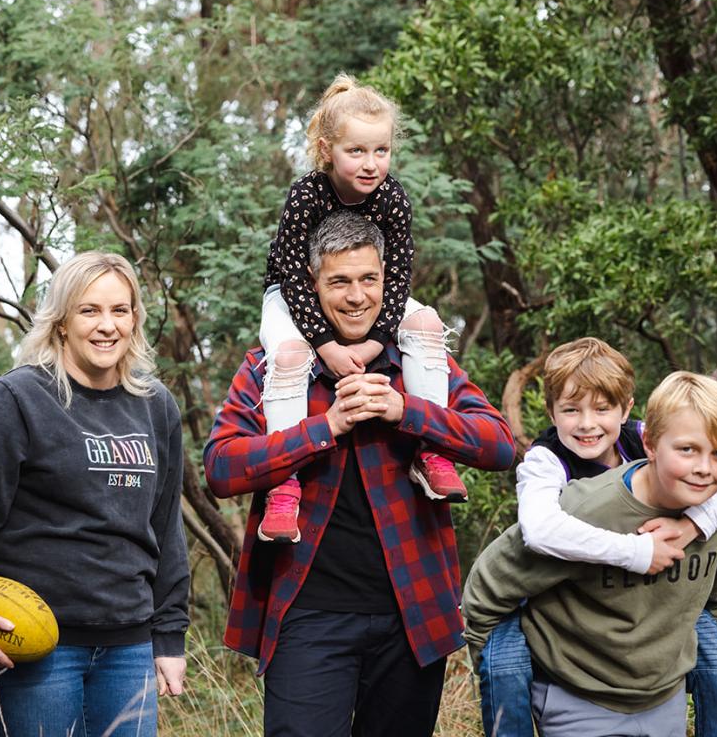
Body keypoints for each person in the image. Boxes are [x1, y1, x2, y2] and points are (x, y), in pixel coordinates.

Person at [205, 213, 515, 736]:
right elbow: (221, 468)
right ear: (311, 286)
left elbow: (499, 444)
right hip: (308, 616)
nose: (356, 297)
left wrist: (405, 411)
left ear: (387, 282)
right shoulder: (275, 365)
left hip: (411, 612)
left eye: (368, 280)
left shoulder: (418, 361)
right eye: (339, 282)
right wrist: (324, 426)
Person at [0, 252, 189, 737]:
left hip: (129, 648)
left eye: (120, 311)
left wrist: (168, 638)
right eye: (89, 311)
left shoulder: (155, 407)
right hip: (35, 646)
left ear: (134, 319)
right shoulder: (16, 399)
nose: (107, 326)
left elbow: (166, 529)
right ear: (61, 321)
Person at [478, 338, 717, 737]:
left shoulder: (644, 438)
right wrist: (636, 552)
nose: (587, 424)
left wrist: (694, 524)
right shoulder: (546, 460)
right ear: (551, 412)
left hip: (647, 602)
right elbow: (539, 532)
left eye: (602, 409)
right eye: (571, 410)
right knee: (505, 671)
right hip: (540, 594)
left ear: (627, 410)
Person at [257, 72, 465, 544]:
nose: (371, 164)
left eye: (381, 151)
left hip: (373, 294)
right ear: (328, 150)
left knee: (428, 323)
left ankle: (431, 451)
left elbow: (398, 274)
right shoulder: (307, 194)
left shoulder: (392, 197)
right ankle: (284, 484)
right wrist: (325, 346)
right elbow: (292, 275)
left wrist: (375, 341)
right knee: (288, 355)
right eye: (357, 152)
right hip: (294, 293)